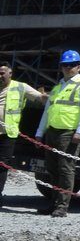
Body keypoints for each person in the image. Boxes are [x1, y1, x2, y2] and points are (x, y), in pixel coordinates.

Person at [33, 50, 80, 218]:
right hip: (52, 132)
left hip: (69, 133)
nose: (68, 68)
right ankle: (54, 204)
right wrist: (40, 133)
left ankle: (62, 206)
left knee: (66, 169)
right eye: (64, 65)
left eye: (72, 65)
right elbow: (47, 111)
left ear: (78, 67)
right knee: (52, 169)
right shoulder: (58, 87)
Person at [0, 63, 46, 202]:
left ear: (10, 73)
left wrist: (52, 96)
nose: (0, 76)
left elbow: (41, 98)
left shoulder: (21, 87)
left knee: (2, 166)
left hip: (8, 134)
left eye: (2, 73)